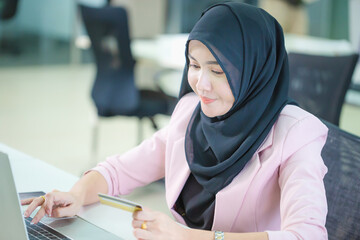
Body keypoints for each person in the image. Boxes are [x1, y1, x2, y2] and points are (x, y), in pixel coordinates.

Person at [22, 3, 328, 240]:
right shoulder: (191, 112)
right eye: (194, 65)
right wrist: (76, 195)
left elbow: (307, 235)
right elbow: (119, 170)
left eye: (218, 71)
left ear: (254, 72)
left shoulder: (296, 135)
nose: (201, 84)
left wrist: (186, 236)